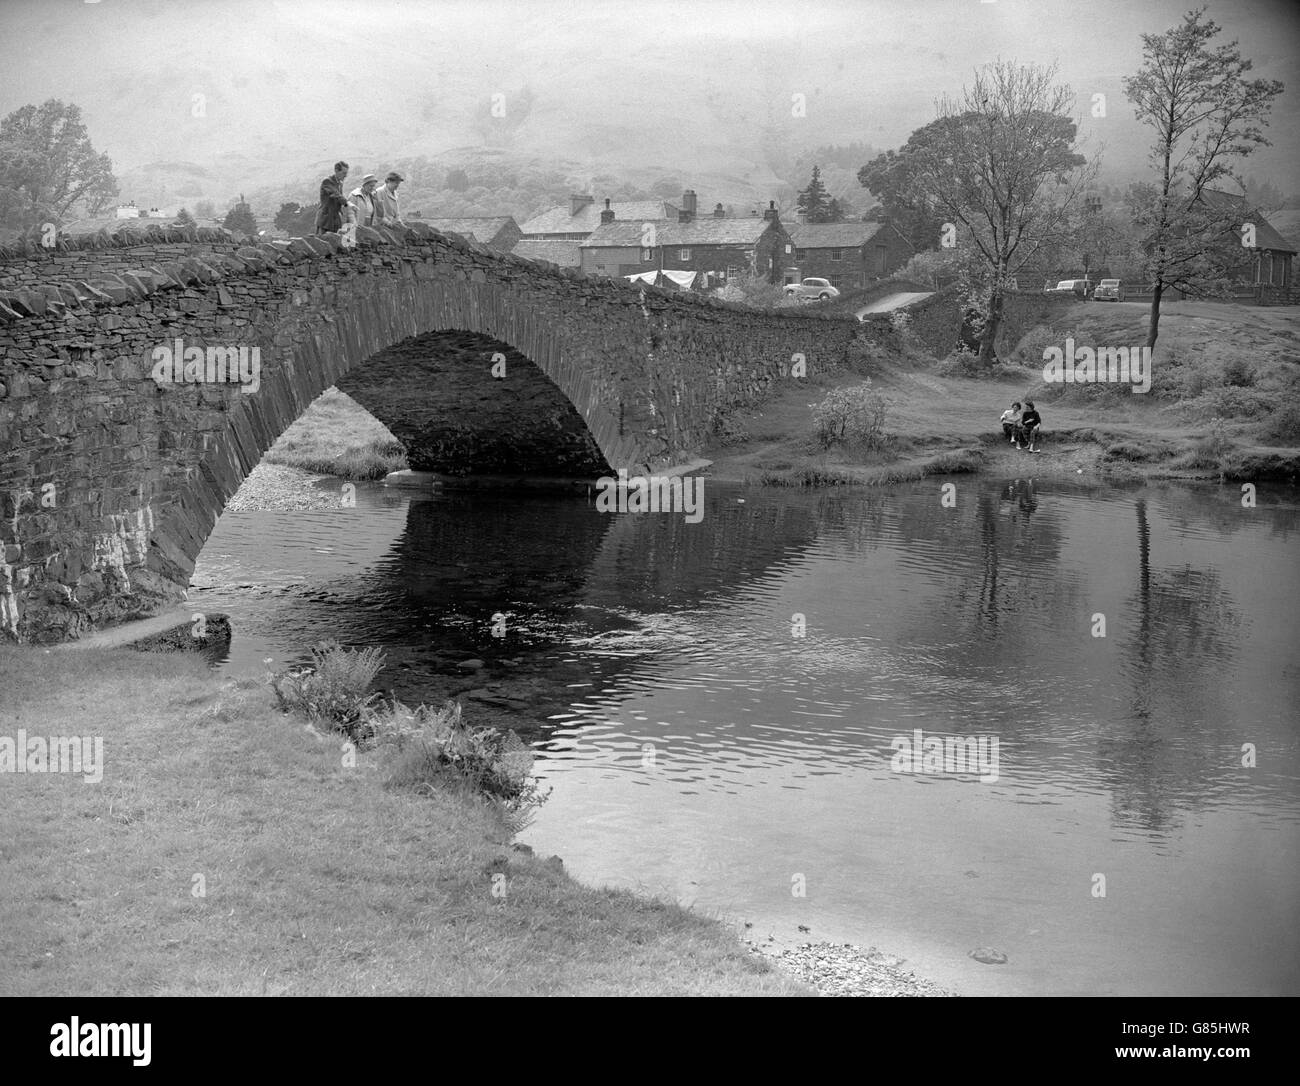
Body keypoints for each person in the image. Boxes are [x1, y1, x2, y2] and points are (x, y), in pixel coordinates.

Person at [315, 160, 350, 234]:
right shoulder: (327, 181)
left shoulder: (340, 183)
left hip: (335, 220)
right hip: (326, 220)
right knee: (323, 242)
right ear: (336, 170)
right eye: (344, 173)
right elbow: (337, 194)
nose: (345, 175)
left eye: (346, 173)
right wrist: (347, 203)